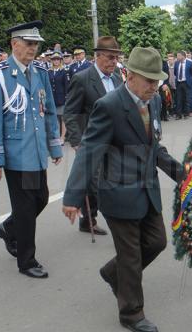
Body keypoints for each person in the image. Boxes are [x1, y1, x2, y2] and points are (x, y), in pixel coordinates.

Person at [62, 47, 185, 332]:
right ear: (129, 76)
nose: (154, 86)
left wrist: (183, 175)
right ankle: (131, 314)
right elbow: (90, 151)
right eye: (149, 80)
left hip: (147, 189)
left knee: (156, 242)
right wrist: (73, 196)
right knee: (130, 256)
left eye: (157, 80)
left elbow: (156, 148)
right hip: (118, 191)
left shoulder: (152, 102)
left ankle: (111, 273)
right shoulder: (109, 105)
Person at [0, 20, 63, 278]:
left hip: (37, 150)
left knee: (40, 198)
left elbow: (48, 109)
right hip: (16, 154)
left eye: (36, 44)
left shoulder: (39, 71)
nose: (33, 49)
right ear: (14, 44)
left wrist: (55, 147)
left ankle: (8, 228)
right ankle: (27, 261)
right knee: (27, 205)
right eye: (28, 44)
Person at [64, 36, 124, 236]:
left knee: (113, 181)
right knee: (96, 184)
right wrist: (77, 140)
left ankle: (94, 217)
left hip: (115, 141)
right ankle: (91, 219)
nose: (113, 62)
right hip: (92, 140)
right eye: (109, 57)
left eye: (116, 58)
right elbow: (71, 113)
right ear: (97, 56)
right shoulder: (82, 79)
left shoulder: (117, 78)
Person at [48, 50, 68, 142]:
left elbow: (66, 86)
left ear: (60, 60)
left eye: (57, 59)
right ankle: (57, 136)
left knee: (63, 118)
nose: (56, 61)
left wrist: (67, 97)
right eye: (54, 59)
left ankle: (63, 137)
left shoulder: (63, 71)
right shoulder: (49, 71)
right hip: (52, 98)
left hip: (62, 98)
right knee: (55, 118)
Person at [174, 51, 192, 119]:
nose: (177, 57)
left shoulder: (189, 63)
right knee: (179, 99)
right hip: (179, 83)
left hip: (187, 83)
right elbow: (175, 73)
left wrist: (189, 79)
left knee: (187, 98)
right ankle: (179, 114)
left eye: (178, 56)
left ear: (183, 56)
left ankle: (186, 114)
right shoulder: (177, 63)